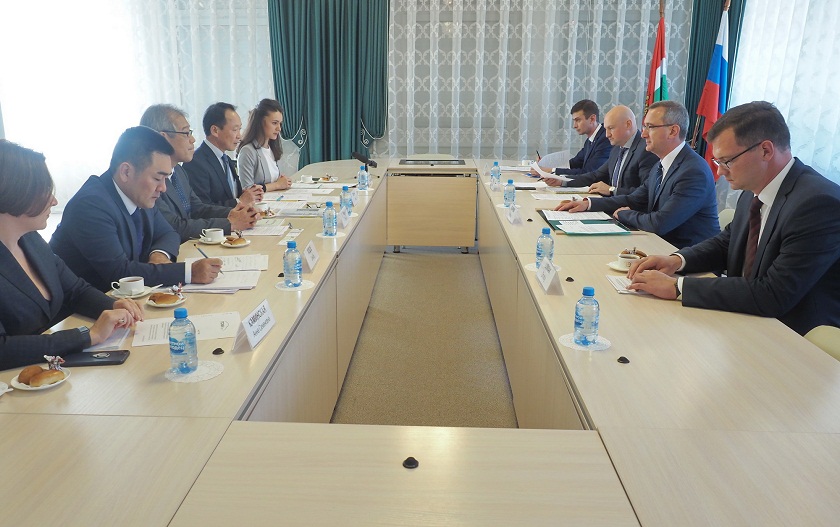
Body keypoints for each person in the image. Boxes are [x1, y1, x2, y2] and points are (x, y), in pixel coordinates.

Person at [627, 101, 840, 336]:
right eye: (718, 162)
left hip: (794, 337)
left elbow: (774, 294)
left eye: (727, 161)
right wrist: (676, 261)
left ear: (766, 151)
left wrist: (678, 286)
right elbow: (726, 243)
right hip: (745, 319)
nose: (720, 171)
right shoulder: (753, 189)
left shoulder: (818, 204)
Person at [0, 140, 144, 370]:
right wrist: (88, 336)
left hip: (50, 370)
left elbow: (76, 290)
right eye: (45, 190)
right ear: (15, 192)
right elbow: (3, 349)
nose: (54, 200)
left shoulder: (30, 240)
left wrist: (114, 305)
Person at [50, 126, 222, 291]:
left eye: (165, 179)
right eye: (157, 178)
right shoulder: (90, 205)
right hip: (91, 304)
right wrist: (189, 273)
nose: (163, 188)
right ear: (126, 172)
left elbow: (169, 233)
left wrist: (159, 254)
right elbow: (121, 273)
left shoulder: (138, 193)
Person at [555, 101, 719, 249]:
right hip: (658, 246)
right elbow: (634, 199)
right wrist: (588, 204)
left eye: (650, 127)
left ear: (673, 131)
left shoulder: (693, 171)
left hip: (685, 256)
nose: (643, 134)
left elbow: (659, 223)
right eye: (645, 127)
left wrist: (624, 214)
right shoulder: (661, 164)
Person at [140, 104, 258, 242]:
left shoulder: (178, 171)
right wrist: (229, 223)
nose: (193, 139)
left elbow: (198, 209)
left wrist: (235, 212)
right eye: (186, 133)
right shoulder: (148, 180)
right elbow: (174, 226)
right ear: (163, 138)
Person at [545, 105, 658, 196]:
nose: (607, 135)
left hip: (629, 211)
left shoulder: (646, 150)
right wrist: (562, 181)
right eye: (606, 129)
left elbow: (646, 193)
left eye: (611, 128)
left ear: (628, 124)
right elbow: (595, 175)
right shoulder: (617, 148)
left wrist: (611, 190)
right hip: (612, 205)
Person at [182, 102, 263, 207]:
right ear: (215, 130)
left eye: (240, 129)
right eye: (235, 130)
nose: (239, 136)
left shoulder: (226, 159)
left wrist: (249, 194)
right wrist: (239, 202)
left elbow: (230, 195)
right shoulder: (195, 163)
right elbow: (202, 208)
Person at [534, 99, 611, 176]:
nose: (574, 126)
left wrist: (552, 170)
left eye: (578, 120)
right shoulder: (591, 140)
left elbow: (588, 172)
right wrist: (546, 164)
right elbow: (574, 163)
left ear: (592, 119)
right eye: (574, 121)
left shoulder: (605, 139)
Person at [237, 99, 293, 192]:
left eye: (280, 124)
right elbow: (247, 190)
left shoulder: (272, 148)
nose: (279, 128)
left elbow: (274, 182)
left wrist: (283, 182)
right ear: (260, 122)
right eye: (274, 123)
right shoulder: (247, 151)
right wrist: (277, 185)